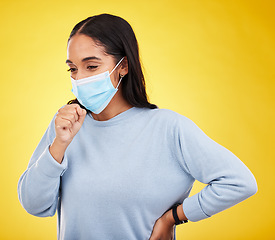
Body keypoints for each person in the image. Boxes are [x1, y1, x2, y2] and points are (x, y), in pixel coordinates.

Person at [17, 13, 257, 240]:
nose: (79, 79)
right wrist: (59, 145)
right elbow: (35, 205)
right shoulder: (66, 127)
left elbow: (239, 182)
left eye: (91, 67)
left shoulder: (168, 128)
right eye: (73, 69)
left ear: (123, 66)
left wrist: (173, 218)